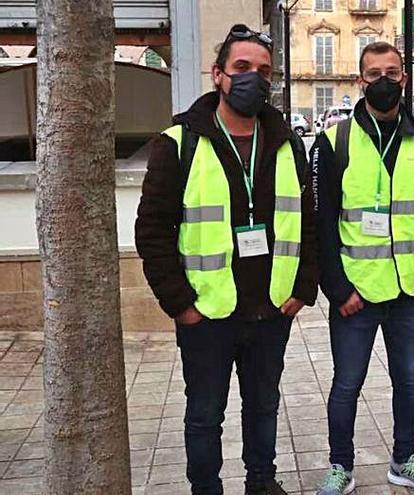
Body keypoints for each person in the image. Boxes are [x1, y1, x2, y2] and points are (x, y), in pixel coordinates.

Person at [135, 24, 317, 495]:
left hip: (271, 309)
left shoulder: (288, 143)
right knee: (204, 416)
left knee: (263, 408)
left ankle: (262, 482)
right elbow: (152, 231)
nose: (253, 78)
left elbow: (309, 220)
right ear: (218, 75)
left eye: (263, 71)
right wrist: (180, 305)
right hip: (208, 313)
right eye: (241, 68)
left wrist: (302, 289)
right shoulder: (179, 142)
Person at [311, 41, 414, 495]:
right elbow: (322, 223)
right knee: (346, 385)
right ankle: (341, 466)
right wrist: (337, 289)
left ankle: (404, 460)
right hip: (356, 293)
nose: (384, 82)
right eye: (373, 74)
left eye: (392, 72)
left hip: (410, 292)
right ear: (360, 82)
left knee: (408, 382)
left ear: (404, 79)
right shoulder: (334, 141)